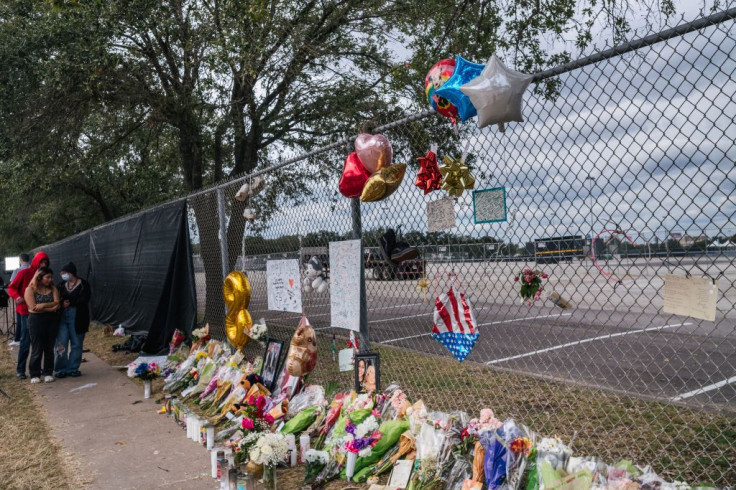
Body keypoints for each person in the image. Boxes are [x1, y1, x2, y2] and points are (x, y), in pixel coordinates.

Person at [7, 251, 50, 379]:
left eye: (46, 263)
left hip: (39, 312)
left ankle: (36, 368)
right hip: (25, 311)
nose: (43, 264)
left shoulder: (44, 275)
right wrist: (17, 296)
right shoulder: (24, 273)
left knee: (38, 342)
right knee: (26, 341)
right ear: (37, 262)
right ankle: (20, 370)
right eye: (42, 262)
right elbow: (11, 287)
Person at [54, 262, 91, 378]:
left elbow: (85, 299)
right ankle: (60, 369)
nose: (62, 275)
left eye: (64, 273)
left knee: (77, 343)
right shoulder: (60, 285)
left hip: (78, 317)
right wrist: (61, 303)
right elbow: (56, 299)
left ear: (71, 273)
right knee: (61, 343)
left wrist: (71, 302)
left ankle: (73, 368)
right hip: (63, 317)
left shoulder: (84, 284)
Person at [24, 266, 60, 384]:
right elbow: (33, 308)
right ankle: (35, 373)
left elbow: (57, 304)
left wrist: (43, 306)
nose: (50, 279)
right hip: (36, 321)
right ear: (39, 277)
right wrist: (50, 307)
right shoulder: (30, 290)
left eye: (51, 277)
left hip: (51, 320)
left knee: (49, 348)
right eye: (47, 277)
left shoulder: (53, 288)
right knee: (37, 348)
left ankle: (48, 372)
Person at [7, 253, 30, 346]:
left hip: (21, 300)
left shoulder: (18, 270)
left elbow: (12, 283)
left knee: (21, 320)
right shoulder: (33, 269)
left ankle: (19, 339)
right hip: (32, 300)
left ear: (20, 260)